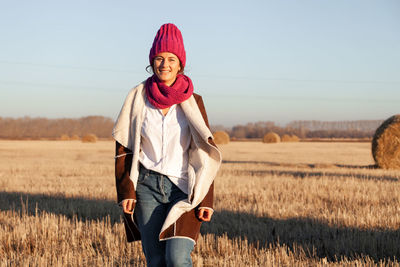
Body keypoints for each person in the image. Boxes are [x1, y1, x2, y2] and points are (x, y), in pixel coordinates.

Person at [112, 23, 222, 267]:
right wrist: (126, 190)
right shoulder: (137, 96)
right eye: (159, 58)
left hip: (182, 187)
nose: (165, 64)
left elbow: (205, 152)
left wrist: (206, 200)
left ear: (180, 63)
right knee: (156, 260)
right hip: (146, 187)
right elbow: (124, 147)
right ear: (152, 61)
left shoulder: (193, 102)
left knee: (177, 258)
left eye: (171, 59)